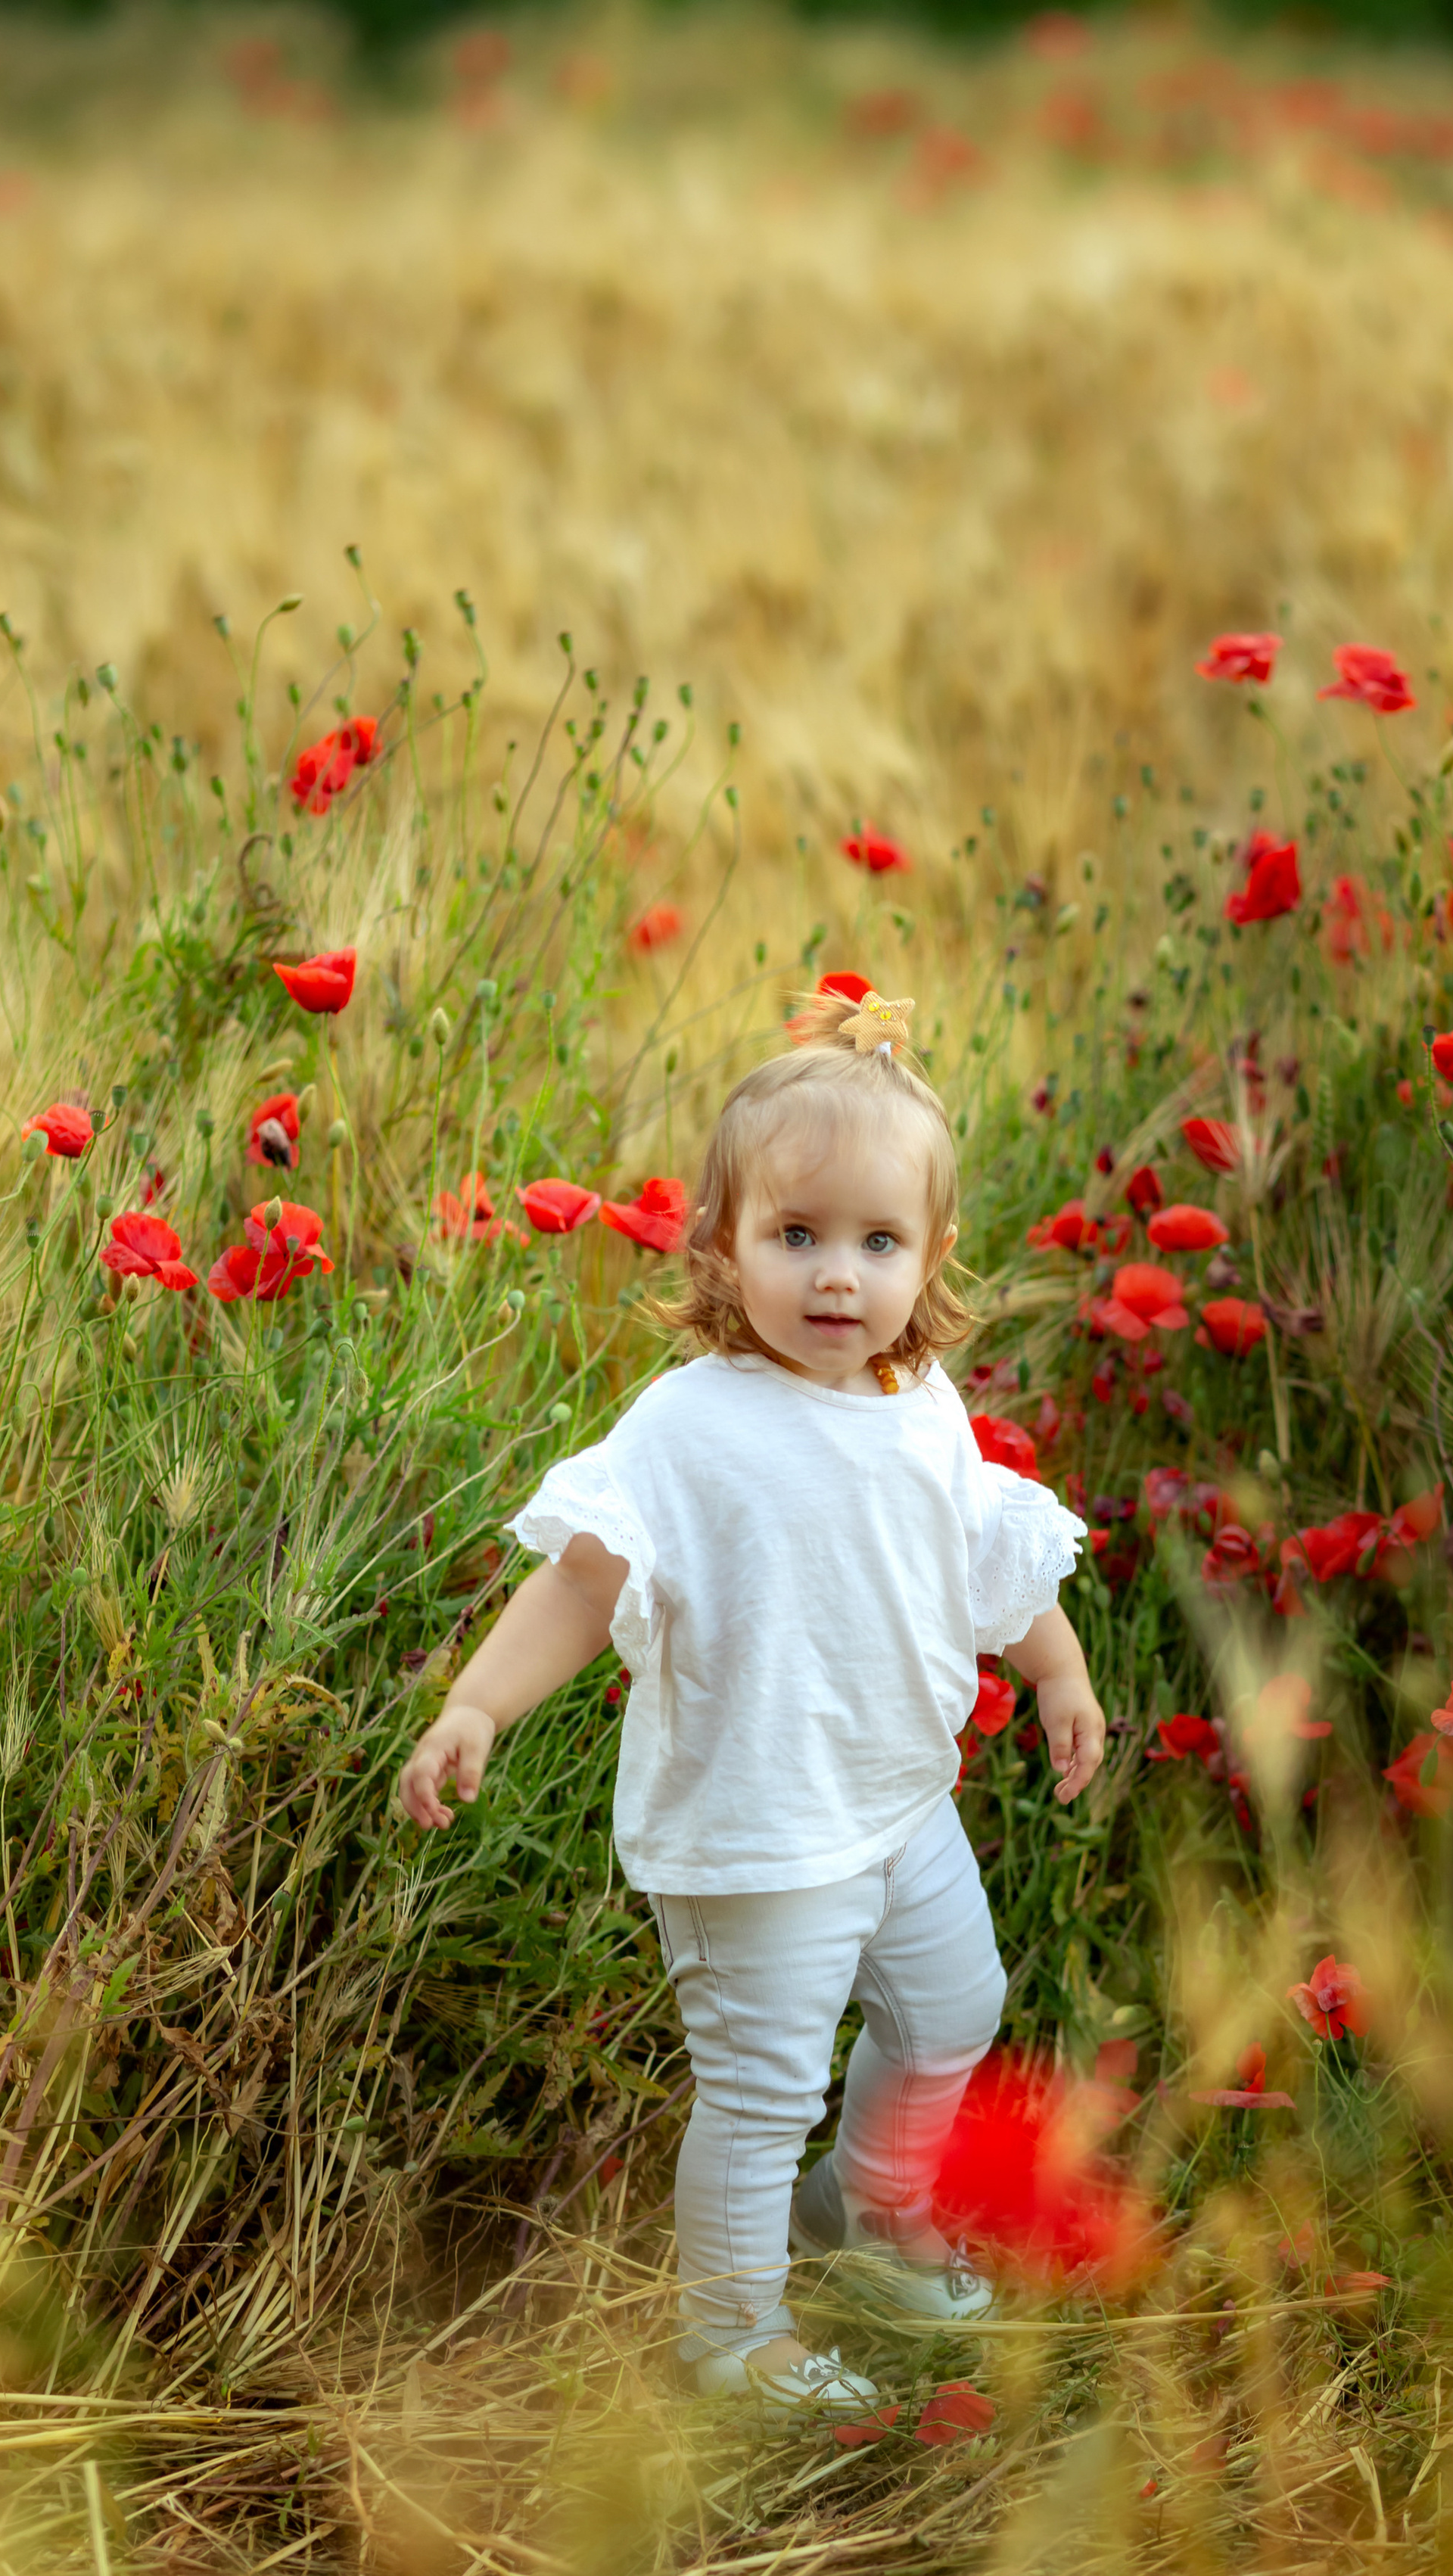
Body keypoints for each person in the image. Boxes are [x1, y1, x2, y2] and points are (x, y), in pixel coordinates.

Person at [398, 982, 1106, 2412]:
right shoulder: (691, 1425)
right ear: (722, 1245)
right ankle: (731, 2332)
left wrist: (1058, 1666)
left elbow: (980, 1544)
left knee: (955, 2006)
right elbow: (587, 1585)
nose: (837, 1276)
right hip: (757, 1829)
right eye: (796, 1236)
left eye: (876, 1242)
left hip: (898, 1801)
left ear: (930, 1258)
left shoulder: (921, 1403)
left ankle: (873, 2210)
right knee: (761, 2092)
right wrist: (477, 1702)